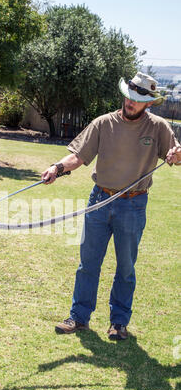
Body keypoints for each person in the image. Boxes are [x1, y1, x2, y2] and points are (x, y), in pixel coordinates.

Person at [41, 72, 180, 340]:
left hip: (133, 204)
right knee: (88, 263)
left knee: (126, 267)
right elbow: (79, 156)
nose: (130, 102)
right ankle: (79, 317)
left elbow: (176, 155)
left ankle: (119, 322)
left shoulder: (159, 127)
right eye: (129, 96)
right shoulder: (103, 123)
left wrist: (177, 153)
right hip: (100, 201)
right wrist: (57, 168)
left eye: (137, 99)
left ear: (149, 103)